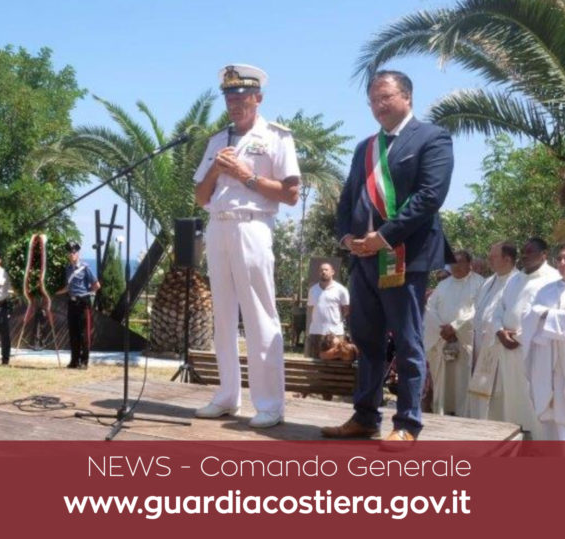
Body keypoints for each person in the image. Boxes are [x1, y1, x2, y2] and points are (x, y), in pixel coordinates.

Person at [323, 70, 454, 442]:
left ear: (407, 97)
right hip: (362, 259)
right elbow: (348, 199)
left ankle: (407, 423)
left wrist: (382, 237)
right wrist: (348, 238)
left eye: (386, 97)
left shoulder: (432, 138)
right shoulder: (364, 147)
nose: (378, 106)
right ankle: (365, 416)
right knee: (366, 340)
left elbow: (430, 196)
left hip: (403, 256)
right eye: (372, 100)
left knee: (408, 341)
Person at [193, 64, 300, 429]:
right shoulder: (217, 139)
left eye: (241, 96)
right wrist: (215, 170)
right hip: (218, 226)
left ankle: (269, 404)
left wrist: (246, 176)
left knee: (259, 316)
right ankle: (226, 396)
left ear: (258, 98)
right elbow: (200, 196)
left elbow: (290, 194)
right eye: (229, 96)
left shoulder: (277, 136)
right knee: (222, 317)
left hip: (253, 227)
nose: (234, 103)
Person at [489, 237, 558, 437]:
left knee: (534, 400)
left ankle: (538, 445)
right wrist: (499, 330)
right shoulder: (515, 279)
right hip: (508, 351)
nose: (525, 257)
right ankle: (515, 439)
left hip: (534, 352)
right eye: (524, 252)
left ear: (544, 255)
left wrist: (518, 336)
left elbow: (547, 316)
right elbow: (498, 311)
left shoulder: (552, 279)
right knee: (513, 401)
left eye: (531, 252)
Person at [422, 250, 484, 416]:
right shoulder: (443, 284)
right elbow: (430, 307)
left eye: (460, 261)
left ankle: (465, 414)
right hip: (442, 340)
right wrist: (442, 329)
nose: (456, 266)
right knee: (443, 383)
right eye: (453, 262)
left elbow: (478, 309)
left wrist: (455, 327)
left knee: (463, 382)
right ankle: (442, 412)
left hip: (465, 342)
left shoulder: (480, 284)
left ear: (469, 263)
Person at [467, 242, 519, 419]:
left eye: (493, 256)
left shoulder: (517, 282)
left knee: (500, 394)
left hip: (501, 347)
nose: (489, 259)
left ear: (507, 259)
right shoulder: (489, 281)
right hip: (481, 346)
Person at [520, 245, 565, 440]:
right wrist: (543, 316)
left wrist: (546, 315)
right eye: (560, 259)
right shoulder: (546, 290)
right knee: (553, 415)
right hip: (548, 362)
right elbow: (528, 315)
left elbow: (540, 315)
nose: (562, 263)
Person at [56, 242, 99, 369]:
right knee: (73, 333)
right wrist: (54, 292)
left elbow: (96, 285)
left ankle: (84, 361)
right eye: (69, 252)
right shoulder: (68, 269)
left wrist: (86, 293)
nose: (71, 254)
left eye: (74, 252)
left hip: (83, 303)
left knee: (84, 334)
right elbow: (67, 287)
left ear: (78, 253)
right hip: (72, 302)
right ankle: (74, 361)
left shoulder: (85, 268)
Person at [306, 262, 350, 359]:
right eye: (321, 270)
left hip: (335, 333)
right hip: (316, 332)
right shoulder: (313, 290)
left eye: (326, 270)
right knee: (314, 364)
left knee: (335, 365)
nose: (323, 272)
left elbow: (346, 310)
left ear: (332, 272)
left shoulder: (341, 290)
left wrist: (336, 323)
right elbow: (312, 308)